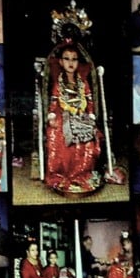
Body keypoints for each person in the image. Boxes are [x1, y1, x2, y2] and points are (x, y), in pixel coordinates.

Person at [44, 43, 103, 194]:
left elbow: (89, 100)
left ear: (78, 62)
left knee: (91, 131)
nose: (71, 62)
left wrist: (91, 113)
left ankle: (82, 173)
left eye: (74, 59)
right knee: (58, 130)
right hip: (63, 113)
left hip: (81, 113)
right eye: (67, 59)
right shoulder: (59, 83)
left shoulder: (83, 83)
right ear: (61, 62)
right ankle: (64, 174)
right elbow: (54, 101)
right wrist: (51, 114)